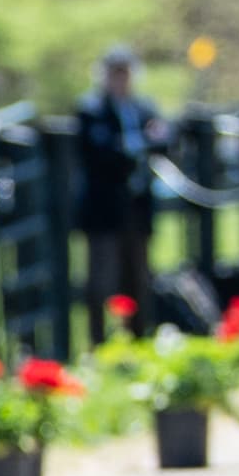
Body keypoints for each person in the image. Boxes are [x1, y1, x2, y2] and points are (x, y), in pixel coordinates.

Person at [74, 44, 165, 342]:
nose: (120, 80)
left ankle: (139, 338)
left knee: (138, 277)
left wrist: (141, 145)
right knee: (102, 281)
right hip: (105, 210)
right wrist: (140, 145)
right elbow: (102, 151)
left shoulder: (142, 107)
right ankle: (99, 343)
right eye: (115, 74)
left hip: (136, 208)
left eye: (124, 73)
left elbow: (164, 137)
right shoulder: (92, 109)